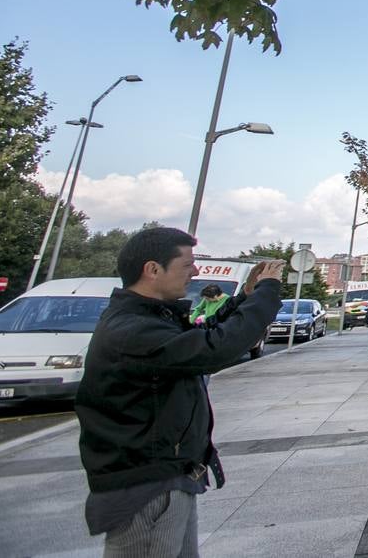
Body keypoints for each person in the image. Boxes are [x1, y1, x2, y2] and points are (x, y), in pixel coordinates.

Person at [75, 227, 283, 558]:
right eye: (188, 265)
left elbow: (206, 337)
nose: (196, 272)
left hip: (165, 478)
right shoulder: (134, 331)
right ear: (152, 269)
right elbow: (217, 348)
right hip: (146, 489)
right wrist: (269, 292)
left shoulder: (146, 319)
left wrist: (247, 296)